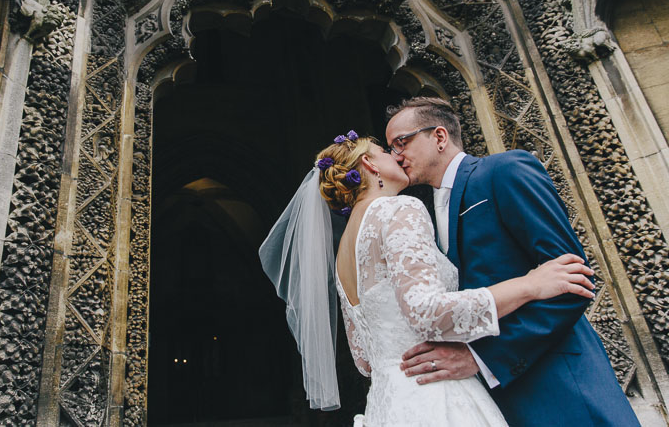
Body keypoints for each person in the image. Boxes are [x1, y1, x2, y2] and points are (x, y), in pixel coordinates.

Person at [259, 129, 596, 426]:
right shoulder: (398, 209)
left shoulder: (344, 251)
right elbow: (427, 312)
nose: (397, 157)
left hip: (387, 404)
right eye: (385, 151)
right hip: (436, 396)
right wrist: (531, 285)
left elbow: (363, 359)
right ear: (371, 166)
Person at [385, 97, 640, 426]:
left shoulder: (503, 170)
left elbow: (573, 280)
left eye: (401, 142)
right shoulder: (426, 217)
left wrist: (481, 358)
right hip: (501, 400)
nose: (396, 156)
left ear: (438, 136)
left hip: (561, 385)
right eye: (391, 148)